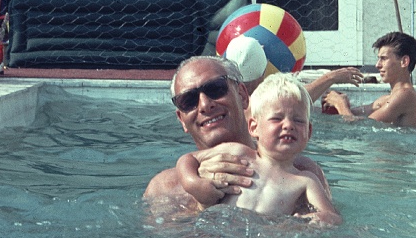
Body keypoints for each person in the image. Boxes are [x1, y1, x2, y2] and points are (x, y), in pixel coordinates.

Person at [143, 56, 331, 212]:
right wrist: (199, 203)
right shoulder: (164, 187)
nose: (205, 105)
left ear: (242, 95)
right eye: (188, 100)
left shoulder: (302, 173)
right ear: (181, 119)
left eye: (215, 89)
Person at [175, 73, 342, 225]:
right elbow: (189, 159)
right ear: (254, 127)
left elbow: (333, 217)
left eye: (298, 121)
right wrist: (193, 184)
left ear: (309, 132)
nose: (289, 126)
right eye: (277, 118)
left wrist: (318, 220)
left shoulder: (306, 181)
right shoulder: (237, 153)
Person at [224, 34, 365, 105]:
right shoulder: (263, 103)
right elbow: (299, 98)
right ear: (265, 64)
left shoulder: (225, 96)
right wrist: (331, 77)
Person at [321, 31, 416, 128]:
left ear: (404, 61)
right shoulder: (386, 99)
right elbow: (354, 116)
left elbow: (360, 128)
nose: (377, 65)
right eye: (378, 59)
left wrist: (340, 103)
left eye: (384, 59)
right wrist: (335, 103)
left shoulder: (406, 95)